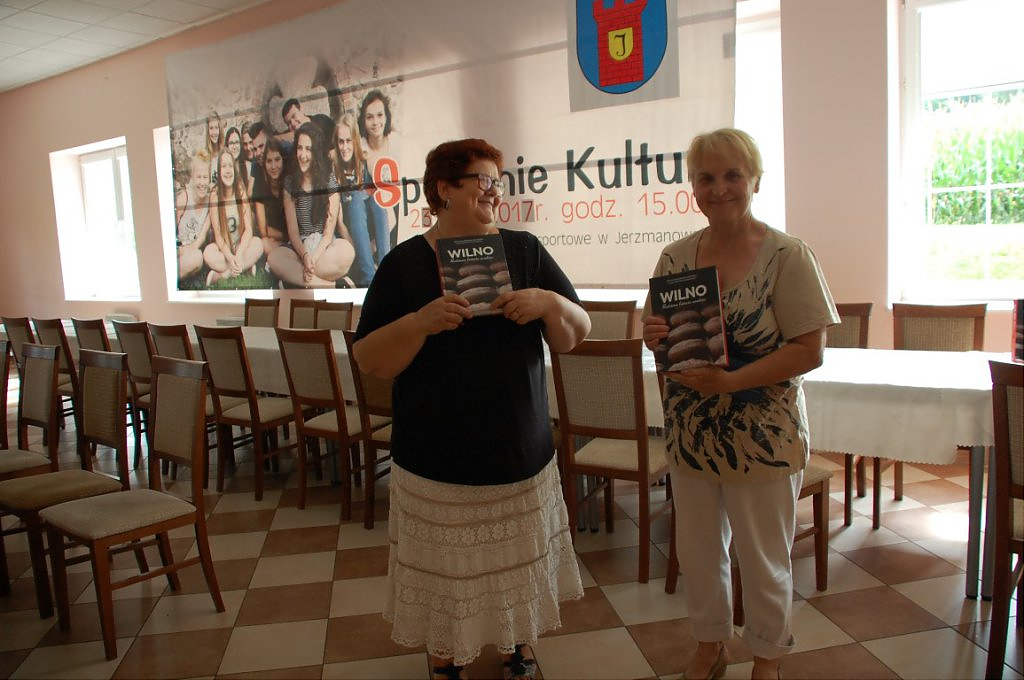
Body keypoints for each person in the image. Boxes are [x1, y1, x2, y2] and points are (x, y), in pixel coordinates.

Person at [352, 138, 590, 680]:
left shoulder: (524, 251)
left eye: (496, 182)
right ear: (444, 189)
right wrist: (420, 322)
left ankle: (515, 650)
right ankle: (446, 660)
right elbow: (369, 358)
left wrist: (548, 303)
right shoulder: (405, 263)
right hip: (436, 456)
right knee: (444, 569)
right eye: (482, 180)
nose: (494, 192)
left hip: (517, 450)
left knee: (516, 561)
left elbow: (577, 333)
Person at [642, 128, 838, 680]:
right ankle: (711, 645)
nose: (719, 187)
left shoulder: (788, 255)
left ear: (755, 181)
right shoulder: (675, 256)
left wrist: (731, 383)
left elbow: (810, 350)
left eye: (733, 175)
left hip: (764, 437)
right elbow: (662, 337)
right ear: (693, 187)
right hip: (691, 434)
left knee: (764, 559)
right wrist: (652, 332)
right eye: (706, 177)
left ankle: (768, 655)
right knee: (700, 554)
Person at [266, 122, 354, 288]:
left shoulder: (328, 179)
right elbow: (293, 232)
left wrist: (313, 259)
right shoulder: (290, 183)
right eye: (300, 148)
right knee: (274, 258)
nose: (303, 155)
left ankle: (296, 280)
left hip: (323, 247)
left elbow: (328, 233)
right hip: (299, 249)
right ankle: (331, 286)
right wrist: (305, 256)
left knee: (347, 252)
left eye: (308, 149)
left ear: (317, 152)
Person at [330, 113, 390, 287]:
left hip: (372, 242)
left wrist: (373, 247)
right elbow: (340, 224)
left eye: (349, 141)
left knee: (377, 200)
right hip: (351, 240)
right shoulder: (334, 170)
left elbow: (387, 216)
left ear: (355, 141)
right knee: (356, 198)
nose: (345, 147)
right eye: (341, 142)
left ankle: (386, 270)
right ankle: (369, 277)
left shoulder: (365, 165)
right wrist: (360, 250)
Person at [203, 150, 264, 286]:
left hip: (241, 246)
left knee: (258, 244)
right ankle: (245, 267)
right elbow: (218, 235)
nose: (227, 170)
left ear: (234, 169)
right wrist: (230, 257)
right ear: (219, 171)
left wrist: (240, 254)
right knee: (208, 253)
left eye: (230, 166)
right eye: (223, 166)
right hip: (224, 251)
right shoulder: (215, 196)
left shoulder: (240, 191)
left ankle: (223, 275)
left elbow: (248, 230)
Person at [359, 89, 399, 247]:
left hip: (396, 207)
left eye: (380, 115)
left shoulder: (395, 142)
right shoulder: (360, 147)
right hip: (373, 212)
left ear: (386, 117)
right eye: (369, 117)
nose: (375, 122)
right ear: (363, 120)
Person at [175, 149, 213, 282]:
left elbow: (200, 239)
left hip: (191, 252)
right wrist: (179, 251)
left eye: (205, 177)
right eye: (198, 177)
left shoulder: (210, 203)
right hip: (176, 251)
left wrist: (187, 250)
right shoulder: (184, 198)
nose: (202, 183)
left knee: (197, 258)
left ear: (209, 179)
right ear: (192, 178)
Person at [253, 136, 289, 260]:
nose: (273, 166)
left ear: (283, 160)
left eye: (277, 160)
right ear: (264, 163)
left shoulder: (289, 182)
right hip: (275, 240)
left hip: (294, 238)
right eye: (269, 161)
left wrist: (290, 236)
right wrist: (286, 236)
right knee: (265, 244)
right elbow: (263, 230)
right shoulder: (260, 185)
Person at [224, 126, 249, 192]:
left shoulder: (248, 166)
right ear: (227, 146)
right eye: (231, 143)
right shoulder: (224, 170)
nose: (234, 147)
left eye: (237, 142)